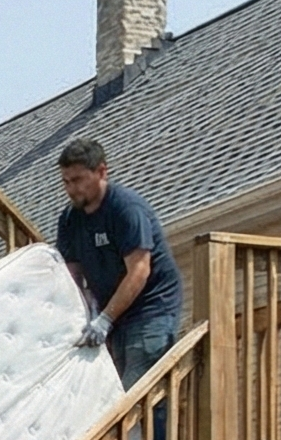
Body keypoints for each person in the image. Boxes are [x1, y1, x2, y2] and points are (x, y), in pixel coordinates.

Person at [55, 137, 185, 390]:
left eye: (78, 180)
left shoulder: (125, 208)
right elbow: (72, 276)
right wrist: (88, 308)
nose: (71, 189)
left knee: (139, 391)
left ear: (102, 172)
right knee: (113, 391)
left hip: (151, 308)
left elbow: (139, 270)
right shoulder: (70, 220)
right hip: (113, 314)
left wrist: (104, 319)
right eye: (66, 182)